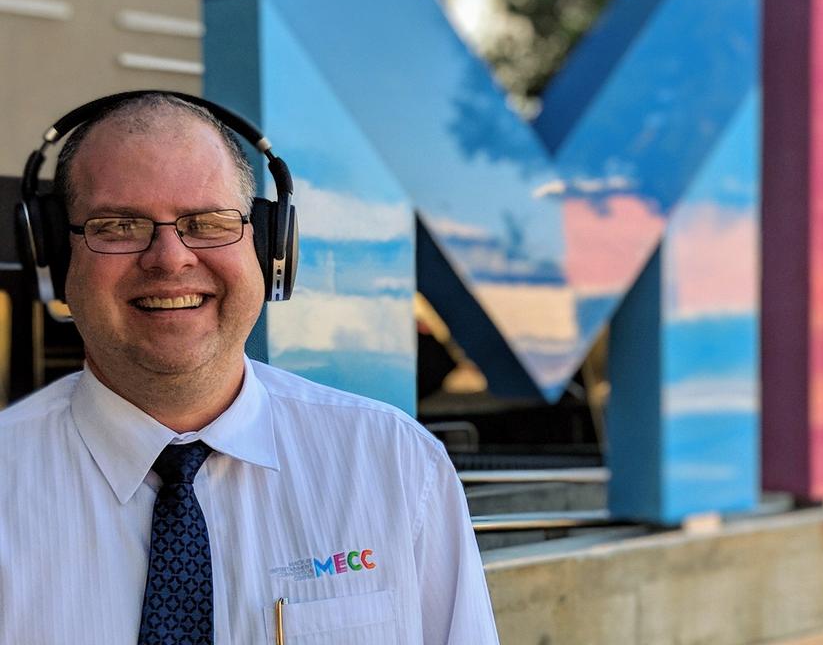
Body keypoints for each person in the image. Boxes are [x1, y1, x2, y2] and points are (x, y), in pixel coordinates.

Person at [0, 92, 500, 644]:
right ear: (52, 257)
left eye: (207, 222)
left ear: (269, 247)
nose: (169, 258)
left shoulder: (399, 467)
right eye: (118, 226)